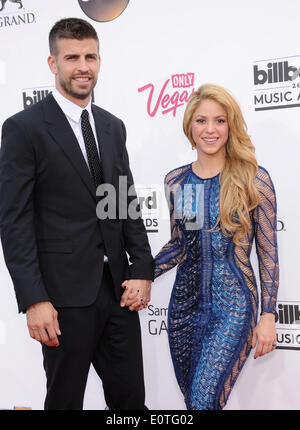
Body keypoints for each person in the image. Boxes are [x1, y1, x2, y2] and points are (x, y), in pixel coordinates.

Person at [0, 17, 153, 410]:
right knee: (65, 401)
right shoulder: (24, 128)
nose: (82, 66)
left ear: (99, 60)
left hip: (116, 290)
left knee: (131, 401)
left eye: (90, 56)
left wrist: (141, 268)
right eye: (72, 58)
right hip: (62, 299)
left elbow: (122, 200)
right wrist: (34, 299)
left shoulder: (112, 126)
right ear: (53, 64)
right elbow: (14, 221)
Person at [154, 83, 279, 410]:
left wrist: (267, 315)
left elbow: (268, 252)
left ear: (230, 125)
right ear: (189, 127)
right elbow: (180, 245)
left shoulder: (253, 179)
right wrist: (137, 273)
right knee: (193, 403)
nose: (210, 129)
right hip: (184, 305)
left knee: (203, 401)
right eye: (201, 121)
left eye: (219, 121)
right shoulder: (177, 182)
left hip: (233, 306)